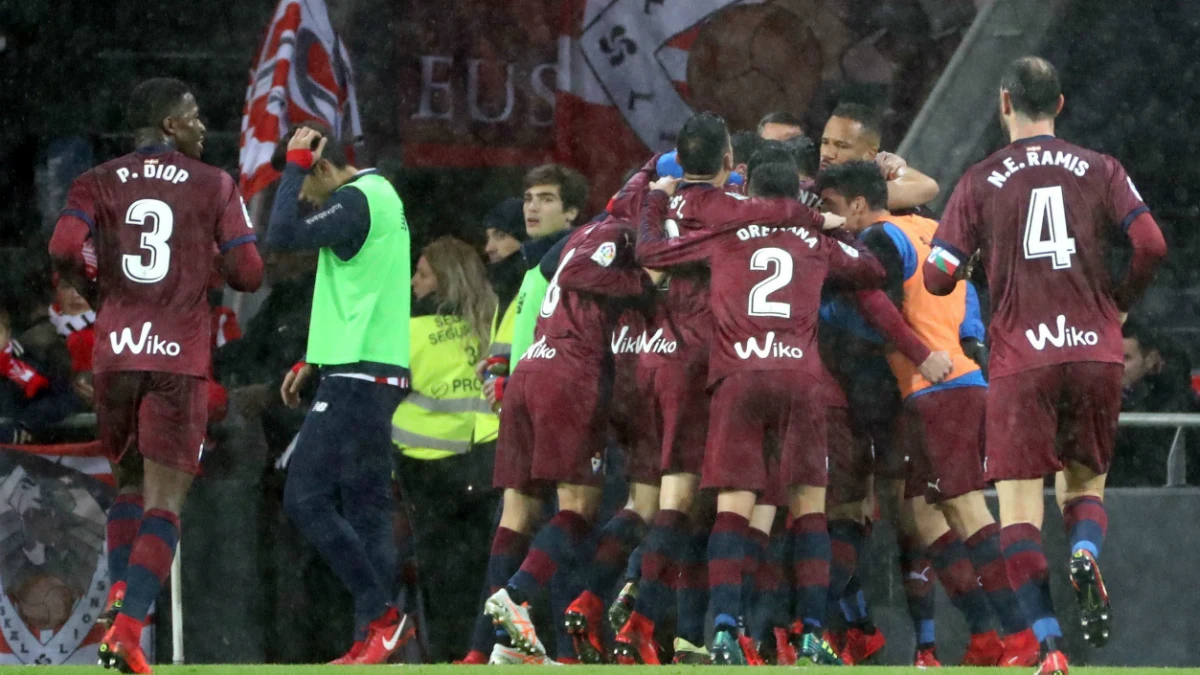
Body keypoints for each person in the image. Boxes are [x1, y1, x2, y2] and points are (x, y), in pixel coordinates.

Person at [924, 56, 1167, 675]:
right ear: (1059, 105)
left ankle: (1051, 646)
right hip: (1093, 350)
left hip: (1022, 357)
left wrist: (973, 259)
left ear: (1004, 103)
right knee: (1083, 486)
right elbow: (1151, 244)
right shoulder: (1100, 166)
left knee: (1020, 507)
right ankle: (1084, 549)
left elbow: (938, 274)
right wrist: (1116, 305)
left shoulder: (980, 180)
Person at [609, 113, 845, 667]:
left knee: (724, 508)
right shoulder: (813, 235)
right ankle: (809, 632)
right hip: (800, 378)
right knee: (806, 507)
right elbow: (865, 271)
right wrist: (828, 224)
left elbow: (646, 252)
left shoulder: (723, 225)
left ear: (742, 179)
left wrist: (652, 200)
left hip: (725, 373)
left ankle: (717, 627)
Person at [48, 77, 264, 674]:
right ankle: (127, 631)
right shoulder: (215, 183)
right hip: (177, 355)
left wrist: (101, 286)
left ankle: (122, 598)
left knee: (128, 487)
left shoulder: (95, 180)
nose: (202, 126)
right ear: (169, 124)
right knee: (166, 502)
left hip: (115, 351)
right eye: (193, 115)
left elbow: (65, 246)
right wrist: (204, 263)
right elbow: (248, 273)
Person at [819, 160, 1039, 667]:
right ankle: (985, 636)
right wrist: (971, 347)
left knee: (966, 511)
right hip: (956, 382)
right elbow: (970, 304)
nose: (833, 219)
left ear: (857, 203)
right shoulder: (934, 230)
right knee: (925, 514)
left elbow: (877, 311)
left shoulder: (879, 239)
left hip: (936, 386)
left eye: (834, 208)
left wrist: (820, 310)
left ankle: (1021, 634)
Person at [268, 122, 413, 665]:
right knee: (367, 511)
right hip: (369, 369)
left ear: (323, 167)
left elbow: (281, 236)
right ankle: (371, 643)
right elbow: (362, 288)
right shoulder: (382, 195)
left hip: (358, 377)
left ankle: (382, 616)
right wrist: (315, 357)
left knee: (303, 498)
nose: (302, 194)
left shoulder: (356, 200)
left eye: (308, 181)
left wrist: (292, 167)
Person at [483, 215, 654, 664]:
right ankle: (516, 597)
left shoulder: (576, 241)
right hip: (571, 376)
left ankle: (497, 642)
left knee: (518, 512)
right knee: (578, 508)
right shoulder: (621, 241)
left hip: (530, 369)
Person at [462, 165, 588, 665]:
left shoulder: (567, 259)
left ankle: (489, 646)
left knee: (526, 520)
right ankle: (519, 634)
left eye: (546, 199)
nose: (532, 208)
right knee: (573, 517)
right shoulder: (539, 266)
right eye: (529, 197)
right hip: (541, 404)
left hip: (542, 400)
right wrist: (500, 371)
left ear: (573, 211)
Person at [391, 236, 498, 663]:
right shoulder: (491, 321)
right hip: (484, 458)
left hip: (426, 466)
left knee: (438, 574)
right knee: (482, 572)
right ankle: (477, 653)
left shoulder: (407, 330)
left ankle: (448, 657)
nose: (414, 281)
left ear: (443, 279)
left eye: (421, 273)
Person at [1111, 319, 1197, 485]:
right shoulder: (1084, 399)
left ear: (1150, 360)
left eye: (1125, 358)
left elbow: (1151, 466)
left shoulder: (1172, 404)